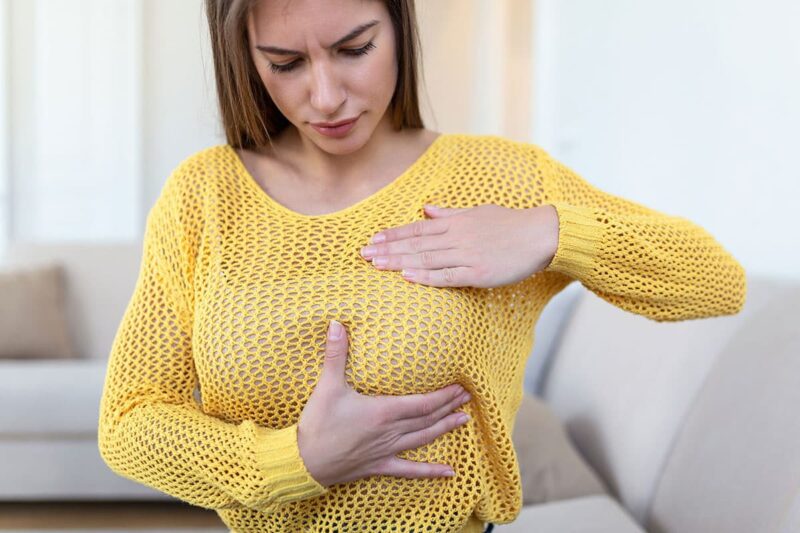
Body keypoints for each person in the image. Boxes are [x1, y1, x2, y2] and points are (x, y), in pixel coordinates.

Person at [96, 0, 747, 532]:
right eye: (286, 63)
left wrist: (550, 231)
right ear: (245, 59)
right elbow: (129, 421)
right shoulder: (202, 195)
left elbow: (717, 282)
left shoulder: (498, 175)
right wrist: (295, 460)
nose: (325, 96)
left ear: (399, 26)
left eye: (355, 49)